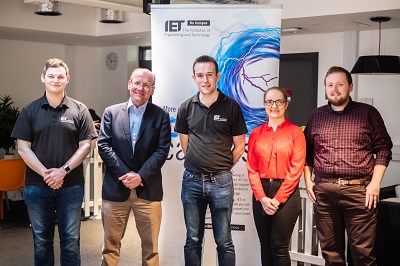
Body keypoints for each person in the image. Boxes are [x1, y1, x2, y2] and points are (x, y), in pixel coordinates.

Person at [11, 58, 97, 266]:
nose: (55, 80)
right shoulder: (29, 111)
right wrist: (47, 174)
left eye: (60, 76)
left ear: (67, 79)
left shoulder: (80, 110)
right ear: (43, 78)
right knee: (41, 241)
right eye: (51, 76)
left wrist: (63, 171)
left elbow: (86, 146)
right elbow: (23, 148)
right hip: (37, 186)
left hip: (71, 185)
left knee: (71, 241)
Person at [303, 66, 393, 265]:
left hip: (360, 192)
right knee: (331, 254)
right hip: (324, 193)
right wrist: (308, 182)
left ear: (350, 87)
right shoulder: (316, 116)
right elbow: (307, 152)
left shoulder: (368, 113)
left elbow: (384, 148)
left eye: (340, 84)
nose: (334, 89)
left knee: (362, 254)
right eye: (330, 85)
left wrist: (375, 183)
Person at [175, 55, 248, 266]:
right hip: (192, 181)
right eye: (200, 75)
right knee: (193, 240)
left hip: (222, 183)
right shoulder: (185, 108)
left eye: (209, 75)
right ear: (194, 78)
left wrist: (222, 167)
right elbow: (185, 145)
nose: (205, 80)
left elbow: (240, 146)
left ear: (217, 76)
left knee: (224, 241)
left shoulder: (232, 107)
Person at [97, 68, 171, 266]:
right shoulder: (111, 113)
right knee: (110, 246)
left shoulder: (161, 116)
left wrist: (140, 177)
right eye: (137, 83)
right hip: (115, 189)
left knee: (151, 250)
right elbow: (104, 146)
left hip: (148, 191)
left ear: (152, 89)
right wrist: (125, 174)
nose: (141, 88)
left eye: (146, 85)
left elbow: (162, 150)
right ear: (129, 84)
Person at [246, 87, 306, 266]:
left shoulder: (296, 133)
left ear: (286, 104)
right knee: (265, 246)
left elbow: (296, 169)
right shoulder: (256, 133)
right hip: (261, 194)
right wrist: (262, 198)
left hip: (286, 195)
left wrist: (278, 199)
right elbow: (252, 168)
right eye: (269, 102)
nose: (274, 106)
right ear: (264, 105)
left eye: (279, 101)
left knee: (279, 247)